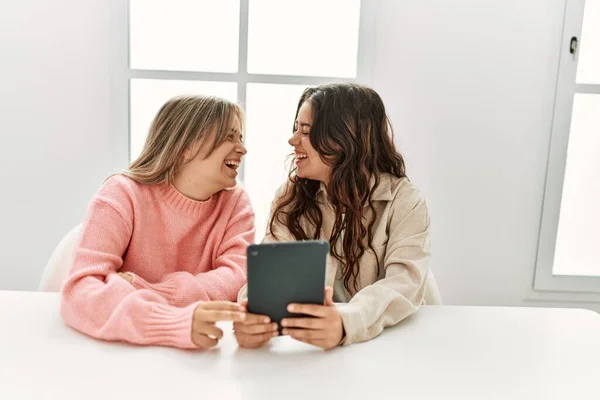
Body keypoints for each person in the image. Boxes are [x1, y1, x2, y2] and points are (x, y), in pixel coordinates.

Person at [234, 83, 431, 350]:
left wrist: (344, 323)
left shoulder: (404, 200)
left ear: (343, 139)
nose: (293, 140)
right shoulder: (290, 198)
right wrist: (251, 316)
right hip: (317, 350)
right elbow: (269, 274)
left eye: (305, 131)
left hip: (399, 343)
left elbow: (403, 283)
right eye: (295, 128)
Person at [61, 95, 255, 350]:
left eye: (240, 138)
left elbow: (238, 277)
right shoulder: (122, 194)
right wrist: (171, 322)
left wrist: (148, 290)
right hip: (121, 352)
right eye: (230, 136)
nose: (242, 148)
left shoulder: (236, 201)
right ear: (187, 146)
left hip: (201, 356)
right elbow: (79, 292)